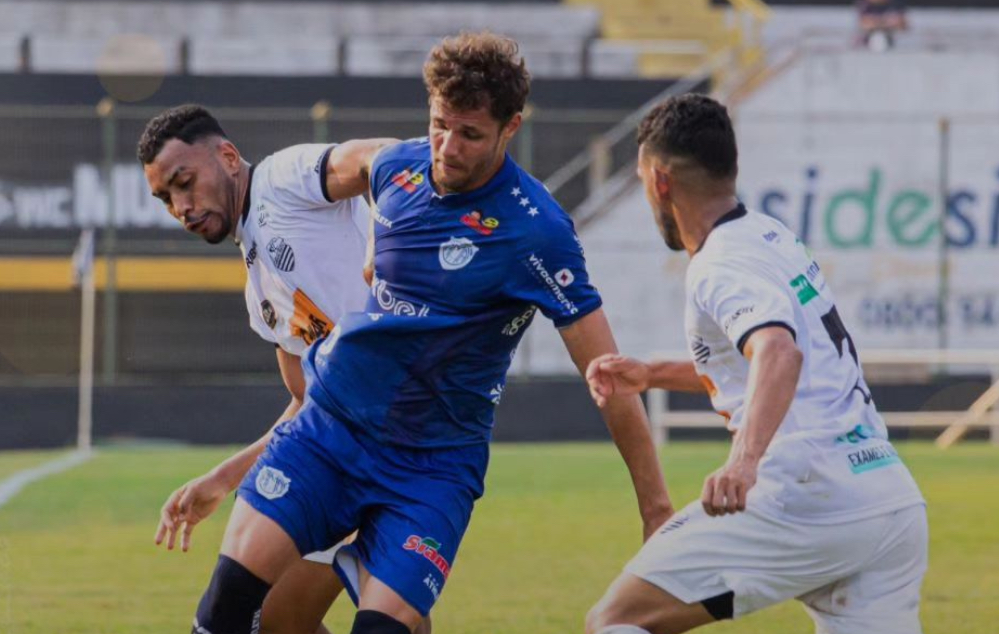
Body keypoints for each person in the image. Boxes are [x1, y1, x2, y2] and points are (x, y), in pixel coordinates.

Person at [182, 32, 674, 634]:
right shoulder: (396, 167)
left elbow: (610, 376)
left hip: (432, 467)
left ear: (510, 127)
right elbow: (370, 175)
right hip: (331, 431)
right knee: (226, 610)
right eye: (439, 124)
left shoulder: (536, 232)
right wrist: (372, 245)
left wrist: (656, 510)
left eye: (470, 134)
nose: (447, 146)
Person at [583, 93, 927, 634]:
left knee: (617, 619)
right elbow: (777, 361)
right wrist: (651, 375)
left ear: (659, 181)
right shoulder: (771, 235)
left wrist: (744, 462)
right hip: (887, 500)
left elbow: (778, 352)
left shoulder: (717, 264)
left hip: (806, 495)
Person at [138, 105, 433, 634]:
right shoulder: (260, 293)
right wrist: (222, 479)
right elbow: (306, 405)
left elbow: (385, 157)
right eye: (166, 198)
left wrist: (379, 236)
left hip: (408, 443)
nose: (181, 206)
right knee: (275, 620)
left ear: (227, 157)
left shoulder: (284, 177)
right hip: (343, 448)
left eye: (185, 182)